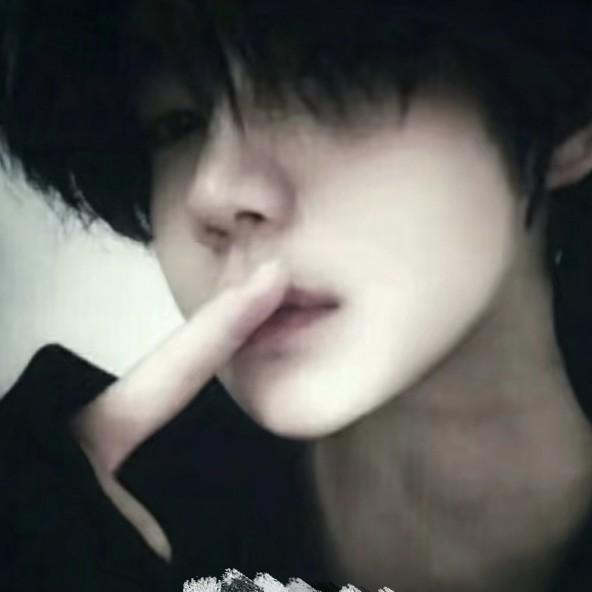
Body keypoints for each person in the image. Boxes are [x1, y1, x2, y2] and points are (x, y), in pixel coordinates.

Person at [2, 1, 592, 590]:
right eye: (175, 124)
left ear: (567, 117)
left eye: (331, 83)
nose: (213, 193)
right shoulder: (75, 513)